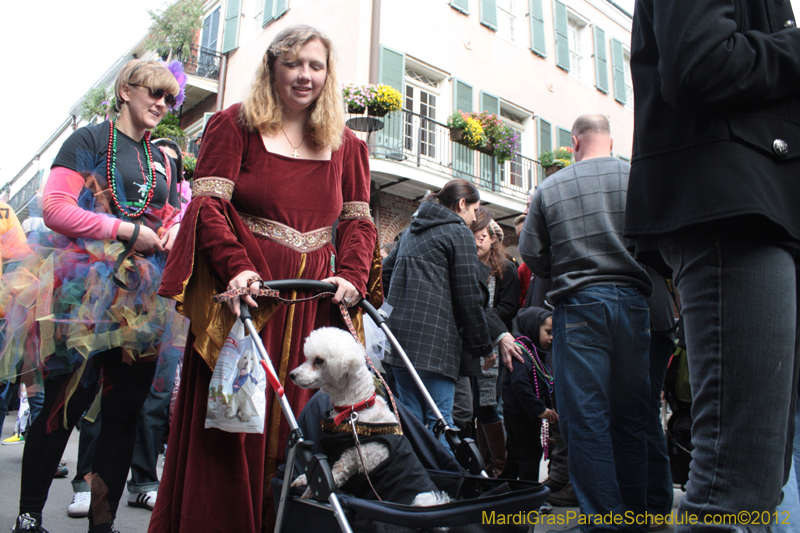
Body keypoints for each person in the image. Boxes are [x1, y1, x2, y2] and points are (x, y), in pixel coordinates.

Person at [148, 26, 378, 533]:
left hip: (315, 304)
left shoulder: (347, 145)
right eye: (293, 63)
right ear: (272, 67)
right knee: (235, 423)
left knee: (306, 421)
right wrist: (236, 267)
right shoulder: (235, 124)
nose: (305, 75)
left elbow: (359, 222)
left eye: (315, 65)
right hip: (250, 297)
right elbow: (208, 206)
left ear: (328, 73)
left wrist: (352, 273)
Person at [626, 1, 800, 529]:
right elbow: (699, 62)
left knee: (755, 482)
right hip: (735, 206)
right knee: (735, 488)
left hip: (758, 205)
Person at [2, 58, 183, 533]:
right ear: (126, 90)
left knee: (124, 416)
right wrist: (125, 230)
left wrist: (172, 229)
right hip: (80, 294)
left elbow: (171, 212)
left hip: (142, 301)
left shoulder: (164, 159)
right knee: (62, 407)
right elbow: (55, 208)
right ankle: (29, 517)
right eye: (154, 93)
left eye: (170, 98)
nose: (162, 104)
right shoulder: (87, 141)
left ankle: (102, 524)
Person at [520, 113, 652, 532]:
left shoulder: (551, 186)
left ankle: (604, 521)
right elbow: (656, 239)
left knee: (586, 418)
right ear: (610, 142)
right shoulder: (635, 177)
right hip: (633, 300)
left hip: (578, 305)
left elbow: (531, 253)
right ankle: (637, 516)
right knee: (632, 416)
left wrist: (563, 267)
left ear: (574, 143)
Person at [382, 179, 493, 446]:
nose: (474, 218)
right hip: (436, 344)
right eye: (474, 210)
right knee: (441, 424)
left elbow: (385, 271)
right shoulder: (458, 233)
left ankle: (416, 473)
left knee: (411, 423)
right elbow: (468, 296)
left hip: (399, 342)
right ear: (462, 203)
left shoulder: (410, 231)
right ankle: (441, 474)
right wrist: (483, 347)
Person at [471, 208, 520, 477]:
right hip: (468, 346)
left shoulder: (506, 269)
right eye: (474, 234)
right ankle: (485, 467)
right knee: (474, 408)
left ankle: (499, 469)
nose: (479, 239)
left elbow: (508, 307)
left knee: (489, 406)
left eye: (483, 235)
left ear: (492, 239)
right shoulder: (465, 266)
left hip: (493, 344)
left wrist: (483, 323)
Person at [502, 306, 556, 481]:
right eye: (548, 332)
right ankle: (528, 492)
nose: (552, 337)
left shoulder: (535, 353)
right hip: (520, 416)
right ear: (534, 328)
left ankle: (505, 489)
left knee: (516, 457)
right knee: (529, 456)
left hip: (526, 415)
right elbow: (520, 385)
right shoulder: (521, 352)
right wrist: (539, 409)